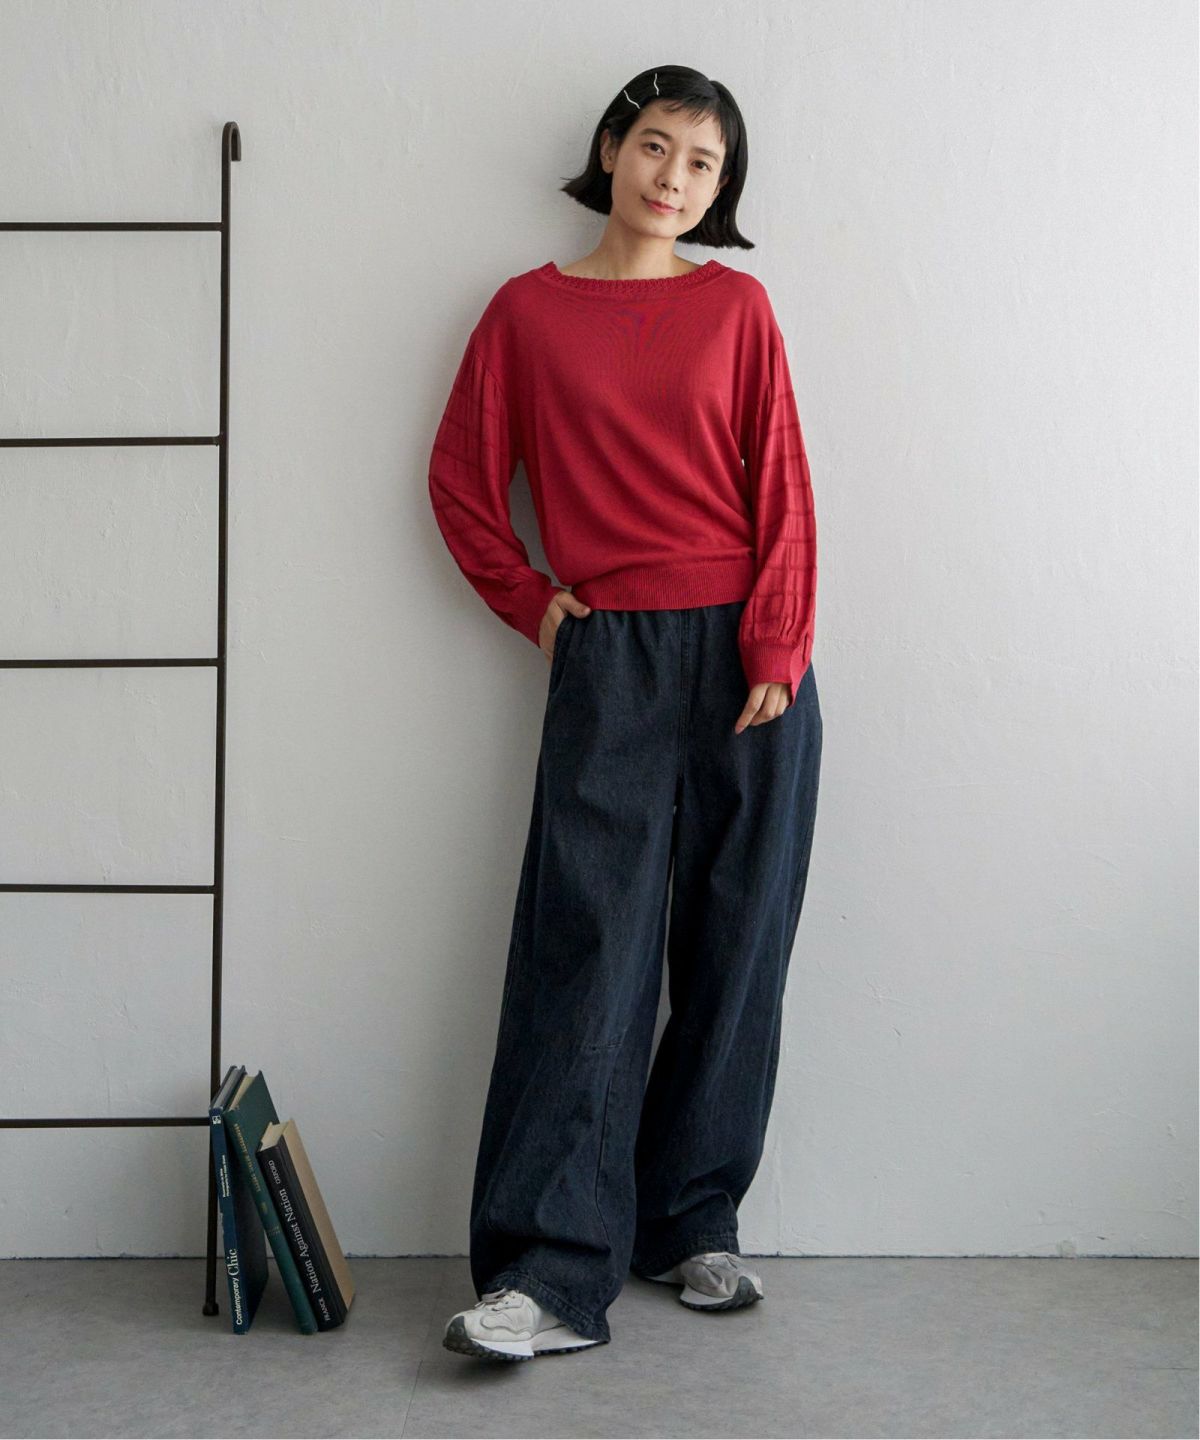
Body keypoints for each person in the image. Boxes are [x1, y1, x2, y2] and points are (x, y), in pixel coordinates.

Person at [427, 64, 823, 1362]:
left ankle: (691, 1220)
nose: (674, 178)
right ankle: (549, 1274)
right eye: (656, 146)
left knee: (735, 941)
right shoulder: (526, 312)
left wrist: (778, 640)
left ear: (722, 187)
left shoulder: (737, 308)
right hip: (611, 654)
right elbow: (462, 480)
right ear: (611, 148)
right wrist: (535, 606)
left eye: (704, 163)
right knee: (588, 950)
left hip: (750, 661)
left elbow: (783, 486)